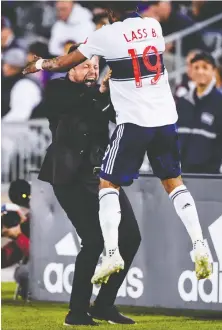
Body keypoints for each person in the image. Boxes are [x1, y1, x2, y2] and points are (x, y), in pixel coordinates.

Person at [23, 2, 212, 285]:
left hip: (135, 122)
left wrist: (38, 64)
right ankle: (199, 244)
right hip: (165, 119)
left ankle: (111, 253)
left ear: (111, 12)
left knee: (107, 184)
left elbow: (63, 62)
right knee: (174, 182)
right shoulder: (154, 26)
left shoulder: (106, 34)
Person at [38, 46, 141, 326]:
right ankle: (77, 311)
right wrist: (102, 92)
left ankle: (104, 304)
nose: (92, 72)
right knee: (94, 240)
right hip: (69, 178)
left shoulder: (100, 95)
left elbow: (117, 117)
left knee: (131, 237)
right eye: (84, 66)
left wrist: (115, 91)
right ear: (69, 68)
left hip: (103, 176)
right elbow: (75, 109)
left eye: (95, 67)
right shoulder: (57, 90)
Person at [177, 52, 222, 174]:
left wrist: (213, 156)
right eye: (196, 67)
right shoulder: (182, 102)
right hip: (182, 171)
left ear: (213, 71)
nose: (200, 71)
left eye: (205, 67)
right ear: (191, 72)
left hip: (209, 174)